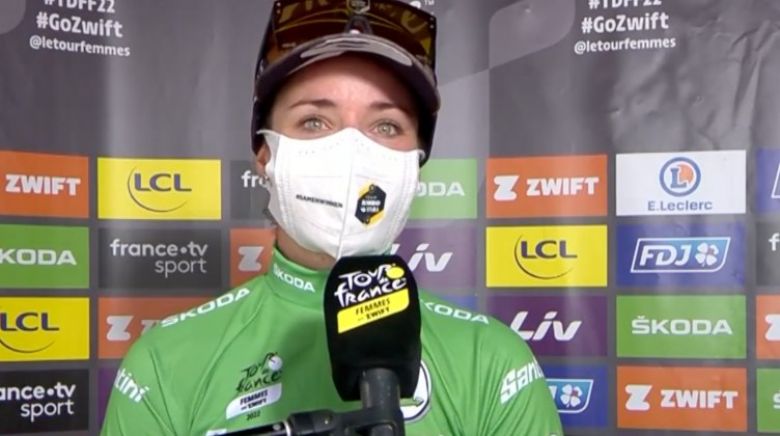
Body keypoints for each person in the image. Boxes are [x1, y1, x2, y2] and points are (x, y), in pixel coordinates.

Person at [101, 0, 563, 434]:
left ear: (415, 164)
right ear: (264, 156)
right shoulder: (163, 365)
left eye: (386, 125)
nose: (351, 149)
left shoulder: (492, 362)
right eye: (314, 121)